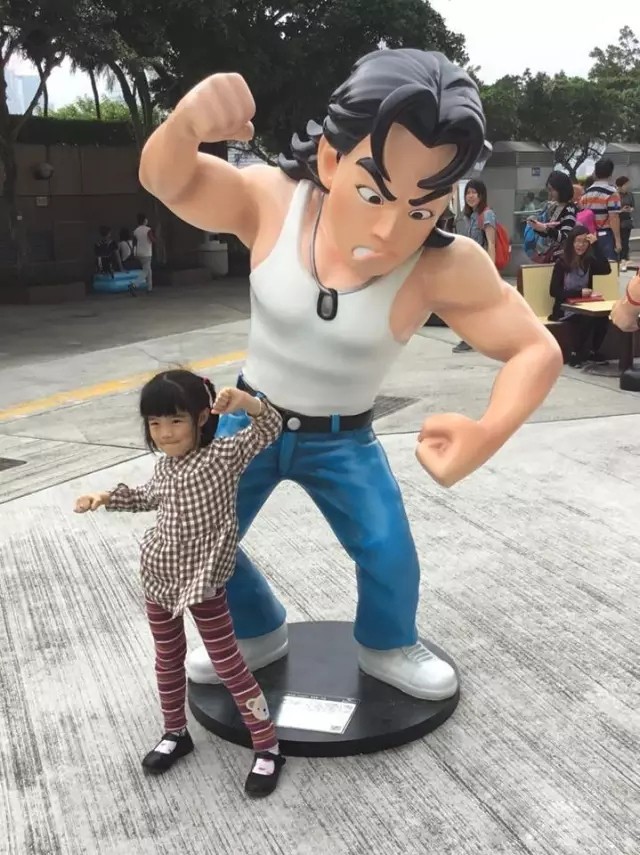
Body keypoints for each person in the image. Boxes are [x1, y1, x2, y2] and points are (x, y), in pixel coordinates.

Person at [139, 49, 562, 702]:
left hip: (342, 437)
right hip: (247, 420)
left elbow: (536, 349)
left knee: (387, 548)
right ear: (332, 160)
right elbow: (170, 181)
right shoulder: (275, 202)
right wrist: (185, 123)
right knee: (196, 535)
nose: (390, 229)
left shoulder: (443, 265)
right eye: (372, 193)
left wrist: (486, 431)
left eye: (421, 210)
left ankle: (388, 642)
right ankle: (254, 629)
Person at [73, 370, 286, 798]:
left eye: (175, 420)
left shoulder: (223, 455)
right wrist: (106, 497)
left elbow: (270, 428)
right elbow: (146, 496)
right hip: (159, 578)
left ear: (201, 417)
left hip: (203, 582)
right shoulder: (165, 467)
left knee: (228, 664)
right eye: (155, 423)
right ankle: (175, 732)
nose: (165, 433)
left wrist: (247, 403)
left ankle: (268, 746)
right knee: (168, 659)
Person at [548, 226, 611, 368]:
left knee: (602, 317)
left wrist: (596, 245)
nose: (581, 245)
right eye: (577, 241)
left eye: (584, 242)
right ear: (571, 242)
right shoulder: (561, 263)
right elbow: (554, 291)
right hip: (564, 309)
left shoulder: (589, 261)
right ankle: (576, 353)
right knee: (585, 318)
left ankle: (593, 351)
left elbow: (606, 269)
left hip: (584, 305)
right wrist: (579, 293)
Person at [452, 179, 497, 353]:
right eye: (468, 193)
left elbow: (491, 244)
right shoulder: (470, 216)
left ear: (481, 195)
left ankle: (471, 339)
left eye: (474, 193)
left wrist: (491, 271)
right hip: (471, 267)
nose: (470, 196)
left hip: (481, 267)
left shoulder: (487, 214)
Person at [526, 171, 577, 263]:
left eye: (552, 190)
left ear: (561, 189)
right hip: (554, 255)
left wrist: (545, 228)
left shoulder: (569, 209)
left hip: (563, 258)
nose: (550, 193)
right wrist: (537, 227)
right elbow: (550, 233)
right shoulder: (557, 207)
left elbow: (566, 237)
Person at [580, 159, 622, 261]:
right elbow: (614, 217)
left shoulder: (586, 193)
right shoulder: (612, 193)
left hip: (589, 235)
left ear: (595, 173)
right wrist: (618, 241)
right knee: (608, 265)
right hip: (605, 236)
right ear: (610, 174)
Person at [616, 176, 635, 272]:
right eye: (626, 184)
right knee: (618, 242)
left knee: (625, 242)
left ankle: (624, 261)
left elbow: (633, 206)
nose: (627, 186)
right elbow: (612, 210)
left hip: (627, 221)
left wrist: (630, 209)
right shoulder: (615, 195)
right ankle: (618, 261)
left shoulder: (630, 194)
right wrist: (621, 210)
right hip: (617, 221)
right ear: (620, 185)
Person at [133, 213, 155, 291]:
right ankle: (134, 285)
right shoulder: (148, 229)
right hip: (147, 253)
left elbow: (134, 243)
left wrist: (134, 253)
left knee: (148, 270)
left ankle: (149, 287)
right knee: (146, 271)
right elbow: (152, 239)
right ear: (145, 220)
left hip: (139, 253)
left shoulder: (135, 231)